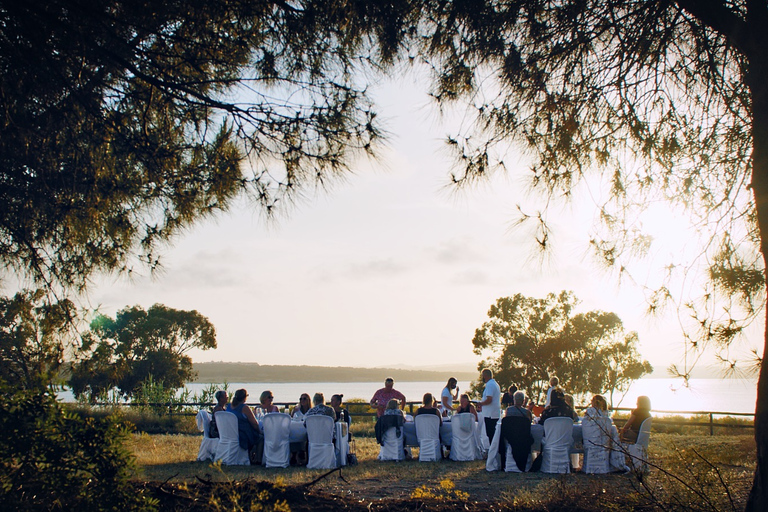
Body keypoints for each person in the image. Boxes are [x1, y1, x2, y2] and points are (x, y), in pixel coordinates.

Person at [225, 388, 263, 463]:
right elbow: (254, 423)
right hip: (243, 434)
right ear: (245, 398)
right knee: (261, 438)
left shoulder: (229, 406)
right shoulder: (244, 408)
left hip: (229, 433)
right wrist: (259, 431)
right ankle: (258, 460)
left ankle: (251, 456)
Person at [476, 368, 501, 443]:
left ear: (485, 376)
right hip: (494, 413)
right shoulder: (495, 384)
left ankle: (493, 452)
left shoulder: (490, 385)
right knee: (493, 434)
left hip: (490, 414)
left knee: (491, 434)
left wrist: (481, 403)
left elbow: (489, 399)